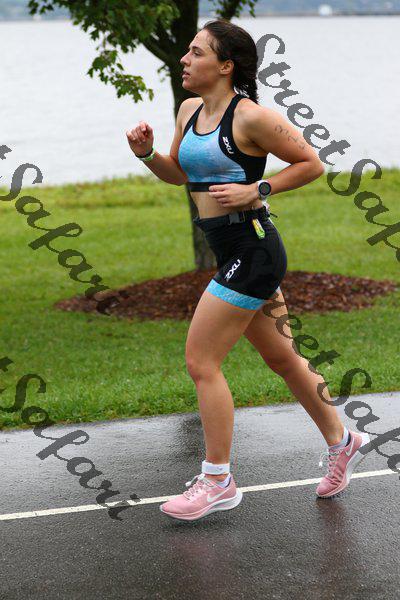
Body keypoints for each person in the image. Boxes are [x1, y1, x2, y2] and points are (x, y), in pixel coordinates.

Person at [126, 19, 370, 522]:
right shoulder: (189, 109)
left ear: (225, 66)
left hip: (254, 251)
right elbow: (181, 174)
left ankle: (218, 480)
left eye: (196, 53)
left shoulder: (252, 117)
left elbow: (310, 163)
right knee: (283, 360)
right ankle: (343, 440)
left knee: (201, 361)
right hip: (231, 251)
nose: (184, 60)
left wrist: (257, 189)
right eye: (187, 51)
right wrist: (147, 155)